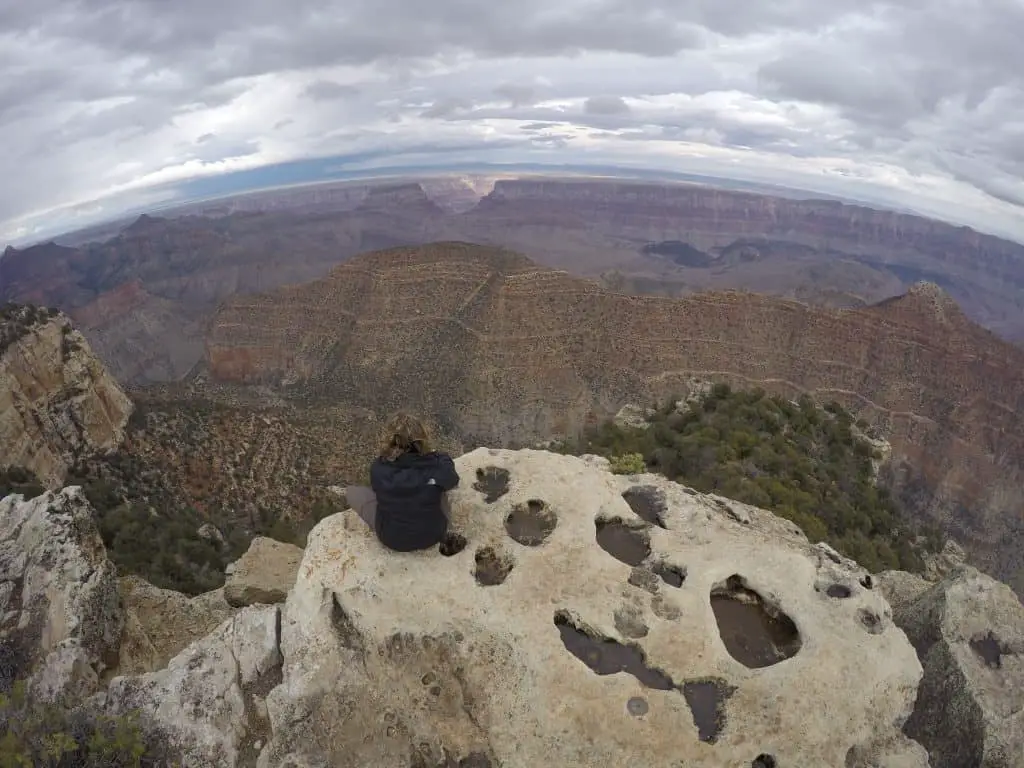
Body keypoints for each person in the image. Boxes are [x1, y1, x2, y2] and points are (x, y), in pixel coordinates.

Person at [345, 412, 461, 552]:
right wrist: (434, 454)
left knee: (352, 492)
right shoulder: (436, 465)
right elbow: (453, 479)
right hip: (432, 535)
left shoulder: (379, 468)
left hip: (392, 539)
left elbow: (377, 487)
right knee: (440, 487)